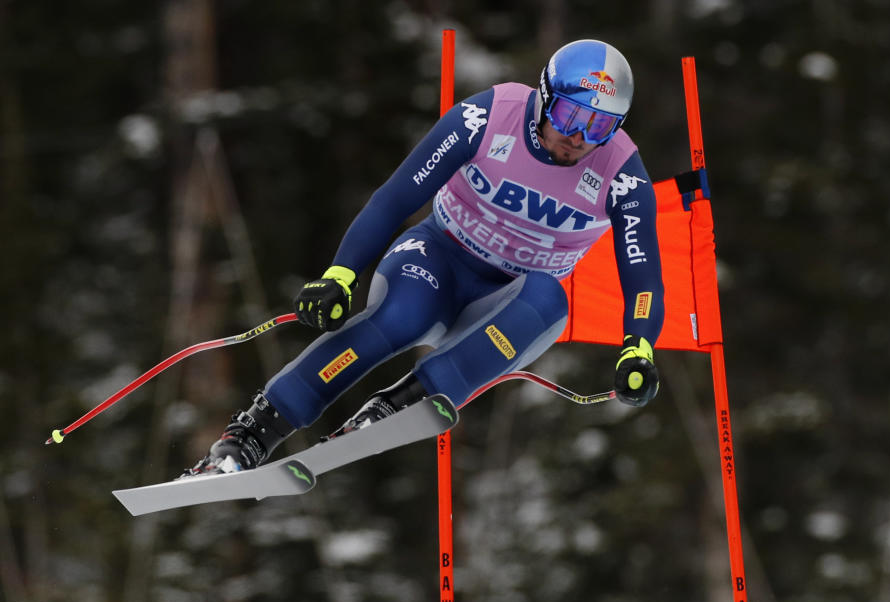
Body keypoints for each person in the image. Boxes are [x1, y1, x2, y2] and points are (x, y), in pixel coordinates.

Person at [186, 39, 665, 476]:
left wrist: (638, 347)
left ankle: (397, 407)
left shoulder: (621, 174)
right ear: (543, 96)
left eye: (599, 125)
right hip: (439, 258)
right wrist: (341, 274)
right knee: (399, 317)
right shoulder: (490, 116)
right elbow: (395, 198)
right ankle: (251, 433)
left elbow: (643, 278)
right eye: (567, 115)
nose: (578, 136)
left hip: (507, 306)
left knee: (550, 298)